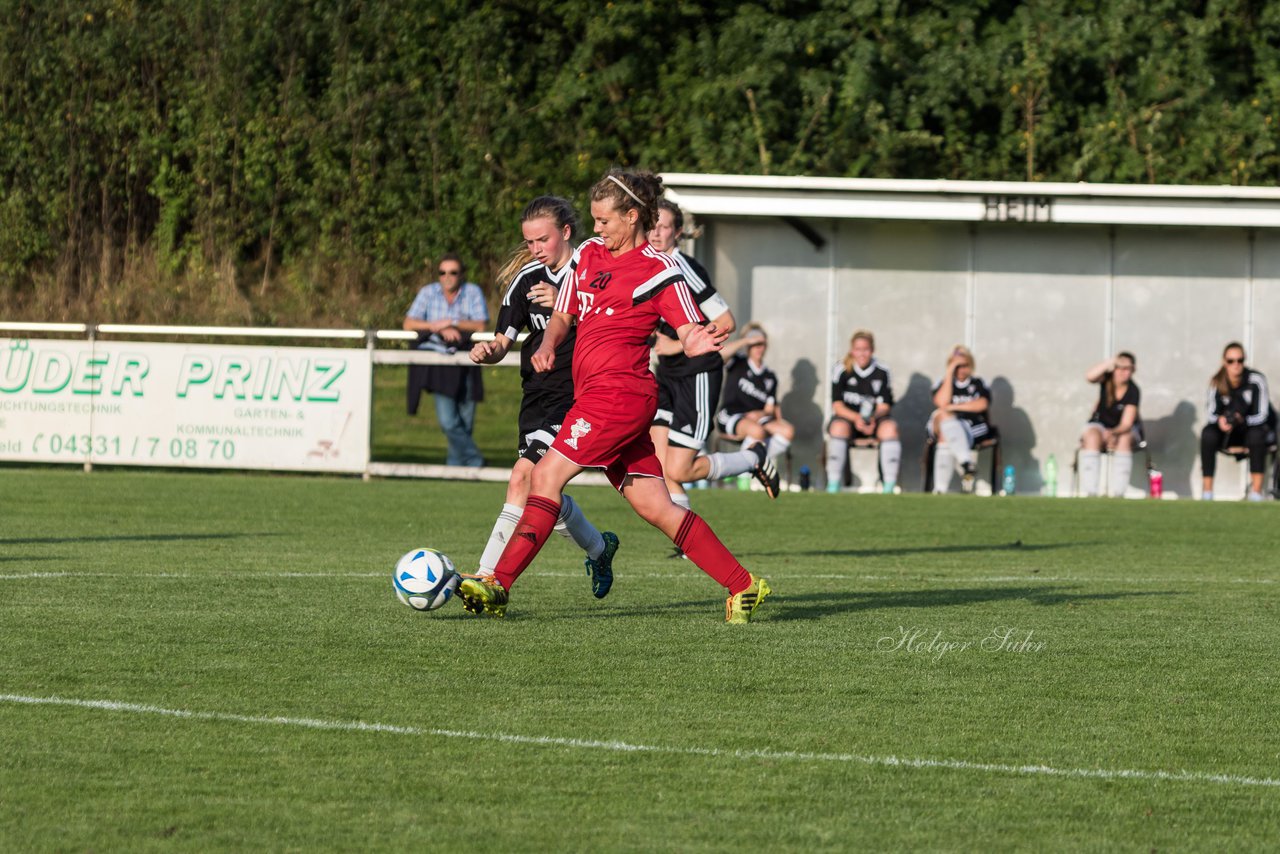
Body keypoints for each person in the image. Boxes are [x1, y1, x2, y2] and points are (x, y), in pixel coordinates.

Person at [457, 169, 771, 624]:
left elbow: (688, 328)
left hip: (618, 396)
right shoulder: (588, 254)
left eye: (605, 220)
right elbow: (563, 312)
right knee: (657, 507)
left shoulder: (661, 271)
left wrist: (696, 340)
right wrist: (546, 344)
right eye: (594, 220)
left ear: (632, 216)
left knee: (544, 479)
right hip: (599, 396)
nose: (597, 228)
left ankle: (497, 584)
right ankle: (745, 586)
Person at [469, 196, 619, 597]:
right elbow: (505, 339)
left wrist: (569, 306)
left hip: (579, 397)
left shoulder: (593, 271)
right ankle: (600, 548)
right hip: (536, 397)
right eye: (529, 241)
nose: (535, 249)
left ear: (566, 232)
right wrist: (490, 351)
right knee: (542, 489)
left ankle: (487, 578)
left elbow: (616, 315)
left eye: (542, 240)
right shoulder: (526, 279)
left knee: (524, 476)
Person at [647, 200, 779, 508]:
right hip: (666, 375)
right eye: (651, 226)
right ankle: (685, 541)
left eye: (664, 227)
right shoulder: (646, 268)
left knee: (680, 468)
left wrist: (677, 345)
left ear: (678, 233)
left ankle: (752, 457)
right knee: (659, 465)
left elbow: (726, 322)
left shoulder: (685, 269)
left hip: (698, 375)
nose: (655, 234)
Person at [403, 253, 488, 467]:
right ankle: (475, 461)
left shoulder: (472, 292)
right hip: (440, 364)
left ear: (461, 275)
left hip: (468, 362)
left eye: (453, 272)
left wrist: (454, 323)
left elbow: (480, 325)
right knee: (448, 421)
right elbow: (409, 323)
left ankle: (456, 471)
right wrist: (436, 326)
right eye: (442, 272)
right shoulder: (427, 292)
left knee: (465, 421)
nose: (447, 277)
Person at [825, 330, 902, 493]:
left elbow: (885, 405)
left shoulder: (882, 370)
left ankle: (888, 485)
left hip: (874, 421)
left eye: (865, 349)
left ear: (872, 350)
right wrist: (857, 419)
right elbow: (837, 405)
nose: (862, 353)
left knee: (890, 428)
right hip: (848, 419)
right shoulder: (841, 370)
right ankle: (833, 484)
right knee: (837, 428)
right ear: (852, 350)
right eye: (858, 349)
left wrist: (872, 418)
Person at [1200, 342, 1275, 501]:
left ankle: (1256, 493)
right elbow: (1211, 413)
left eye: (1240, 360)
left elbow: (1263, 415)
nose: (1236, 365)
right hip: (1226, 433)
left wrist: (1242, 420)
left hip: (1250, 429)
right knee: (1208, 434)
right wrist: (1221, 421)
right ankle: (1207, 492)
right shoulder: (1216, 382)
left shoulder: (1256, 380)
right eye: (1231, 361)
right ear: (1224, 361)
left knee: (1257, 436)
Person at [714, 323, 794, 466]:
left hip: (757, 419)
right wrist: (745, 340)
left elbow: (769, 408)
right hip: (730, 415)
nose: (759, 348)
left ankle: (755, 464)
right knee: (757, 431)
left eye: (762, 344)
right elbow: (720, 354)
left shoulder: (770, 377)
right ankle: (744, 469)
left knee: (787, 431)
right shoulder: (738, 362)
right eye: (755, 343)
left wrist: (759, 414)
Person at [928, 345, 991, 494]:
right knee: (944, 418)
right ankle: (966, 462)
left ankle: (940, 489)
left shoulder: (978, 383)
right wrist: (950, 372)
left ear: (971, 365)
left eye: (965, 365)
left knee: (946, 432)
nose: (961, 369)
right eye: (957, 366)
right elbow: (941, 403)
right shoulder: (942, 382)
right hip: (944, 425)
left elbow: (982, 404)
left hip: (971, 427)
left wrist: (955, 407)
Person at [1078, 352, 1141, 497]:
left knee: (1124, 439)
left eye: (1127, 369)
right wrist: (1110, 362)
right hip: (1099, 425)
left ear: (1133, 370)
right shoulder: (1106, 380)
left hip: (1122, 430)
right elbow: (1089, 376)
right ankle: (1090, 492)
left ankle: (1118, 493)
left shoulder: (1133, 391)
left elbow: (1126, 423)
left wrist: (1113, 433)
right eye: (1119, 367)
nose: (1122, 372)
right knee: (1091, 436)